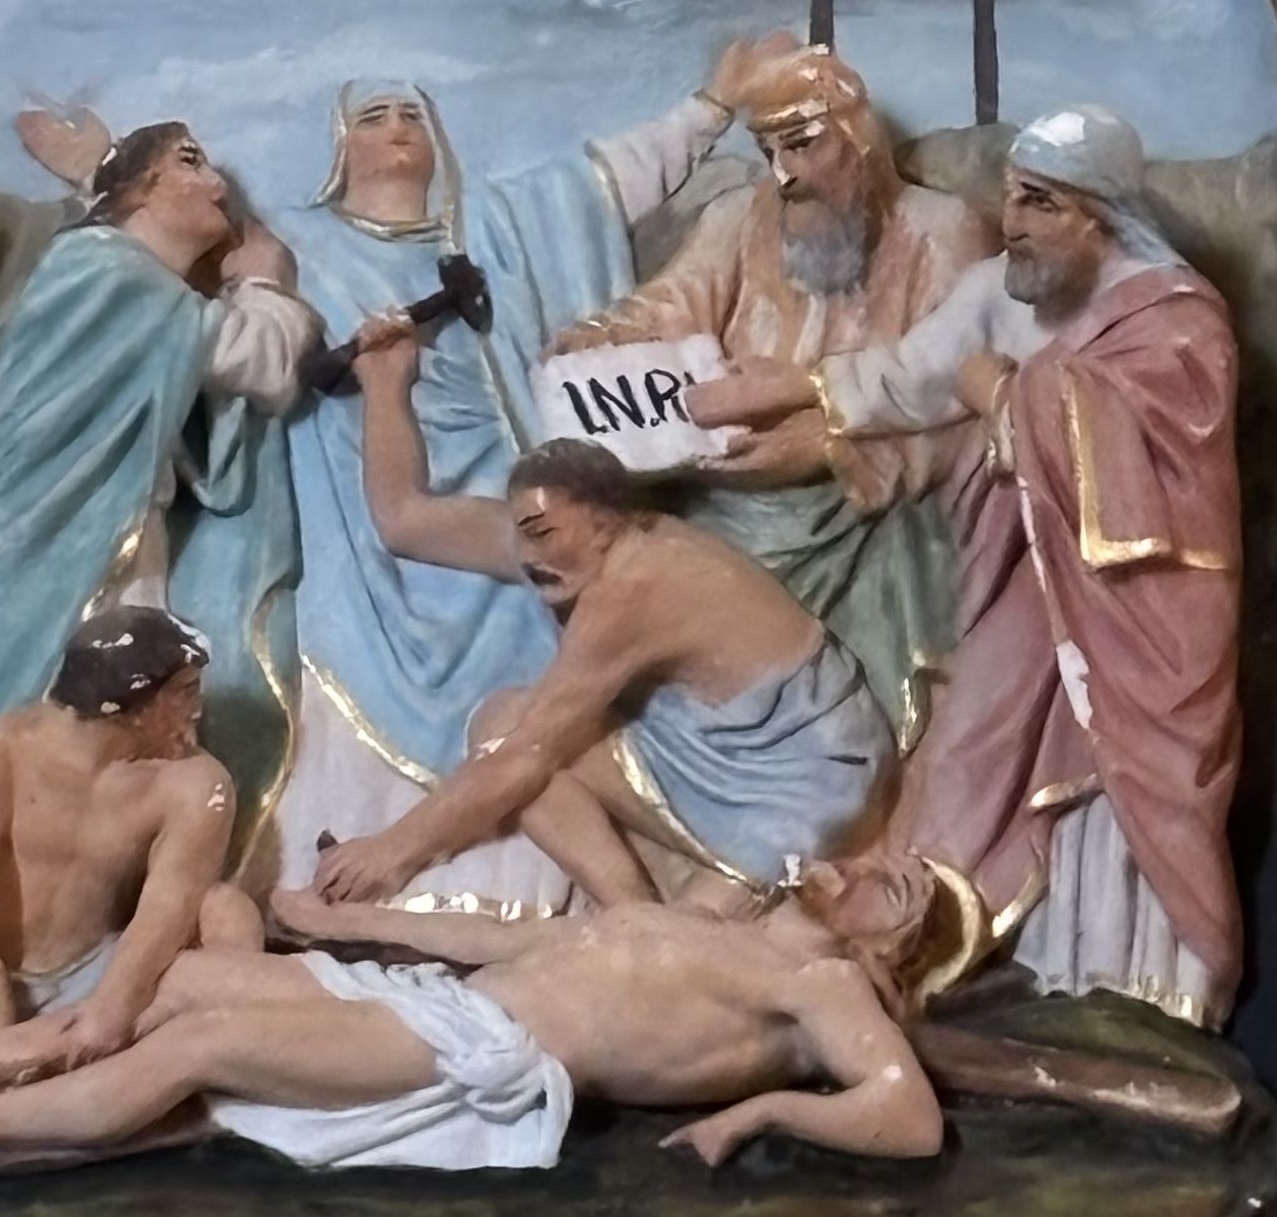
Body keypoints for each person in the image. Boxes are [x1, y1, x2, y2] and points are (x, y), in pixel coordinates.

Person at [763, 105, 1243, 1028]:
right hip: (1028, 570)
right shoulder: (1003, 290)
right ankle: (997, 946)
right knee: (972, 741)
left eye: (1038, 204)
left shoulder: (1177, 321)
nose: (1010, 222)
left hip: (1141, 605)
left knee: (1124, 772)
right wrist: (789, 393)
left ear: (1100, 216)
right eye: (1011, 197)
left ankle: (1142, 981)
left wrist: (1000, 393)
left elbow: (1157, 476)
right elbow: (907, 375)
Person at [269, 53, 773, 899]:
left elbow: (602, 183)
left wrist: (713, 104)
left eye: (411, 114)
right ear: (338, 147)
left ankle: (535, 893)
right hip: (372, 507)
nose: (397, 130)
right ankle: (389, 883)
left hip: (506, 485)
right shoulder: (300, 244)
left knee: (542, 672)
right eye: (372, 117)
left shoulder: (497, 225)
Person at [0, 857, 945, 1170]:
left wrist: (758, 1113)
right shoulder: (727, 926)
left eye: (889, 888)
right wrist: (346, 922)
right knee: (190, 979)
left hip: (489, 1051)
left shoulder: (824, 986)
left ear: (890, 945)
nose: (857, 868)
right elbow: (512, 942)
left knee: (204, 1041)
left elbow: (905, 1117)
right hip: (446, 1002)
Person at [314, 339, 894, 906]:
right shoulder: (562, 548)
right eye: (522, 530)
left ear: (606, 519)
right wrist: (386, 379)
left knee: (696, 935)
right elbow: (406, 521)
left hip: (811, 776)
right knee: (501, 722)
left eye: (543, 533)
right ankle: (630, 910)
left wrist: (392, 852)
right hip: (712, 741)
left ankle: (638, 923)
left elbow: (527, 754)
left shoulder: (634, 583)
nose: (529, 555)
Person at [553, 42, 995, 751]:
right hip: (723, 492)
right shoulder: (740, 217)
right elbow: (670, 304)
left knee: (908, 574)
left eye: (802, 144)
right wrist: (604, 337)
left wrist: (826, 446)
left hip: (859, 510)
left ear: (856, 137)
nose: (783, 174)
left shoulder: (941, 230)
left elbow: (959, 396)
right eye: (768, 151)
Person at [0, 120, 319, 837]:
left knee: (117, 748)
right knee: (48, 736)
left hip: (107, 539)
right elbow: (260, 363)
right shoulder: (107, 271)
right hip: (60, 549)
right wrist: (265, 281)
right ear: (139, 190)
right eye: (190, 163)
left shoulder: (130, 285)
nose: (218, 185)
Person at [0, 607, 262, 1070]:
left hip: (99, 974)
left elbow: (165, 914)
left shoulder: (198, 784)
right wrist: (1, 1049)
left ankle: (211, 1062)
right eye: (184, 692)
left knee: (228, 909)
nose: (198, 710)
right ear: (133, 704)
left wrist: (109, 1011)